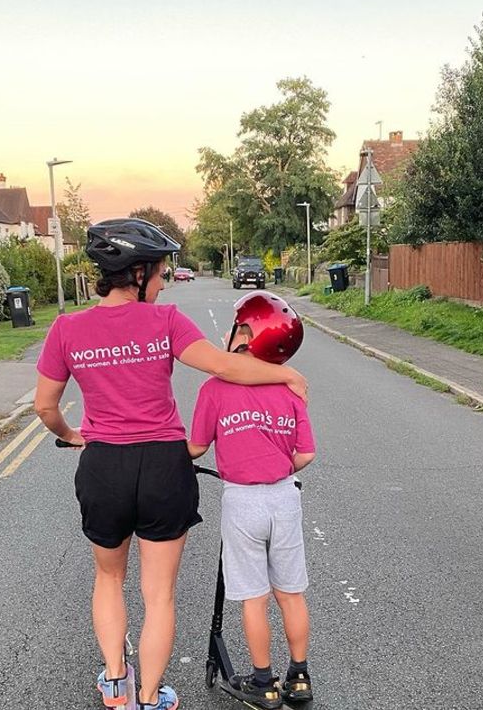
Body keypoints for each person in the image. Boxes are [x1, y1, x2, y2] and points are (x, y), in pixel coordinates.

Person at [34, 218, 308, 710]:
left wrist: (74, 436)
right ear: (138, 273)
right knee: (158, 593)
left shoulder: (67, 328)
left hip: (104, 466)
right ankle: (151, 695)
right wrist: (284, 374)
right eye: (160, 273)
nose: (163, 283)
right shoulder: (166, 322)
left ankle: (116, 686)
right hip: (164, 466)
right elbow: (225, 365)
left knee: (109, 579)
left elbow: (45, 408)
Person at [188, 290, 316, 708]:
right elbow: (306, 453)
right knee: (290, 593)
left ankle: (264, 681)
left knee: (253, 596)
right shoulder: (291, 390)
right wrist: (276, 467)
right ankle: (298, 678)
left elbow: (196, 448)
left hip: (242, 501)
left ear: (245, 333)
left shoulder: (214, 389)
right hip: (283, 498)